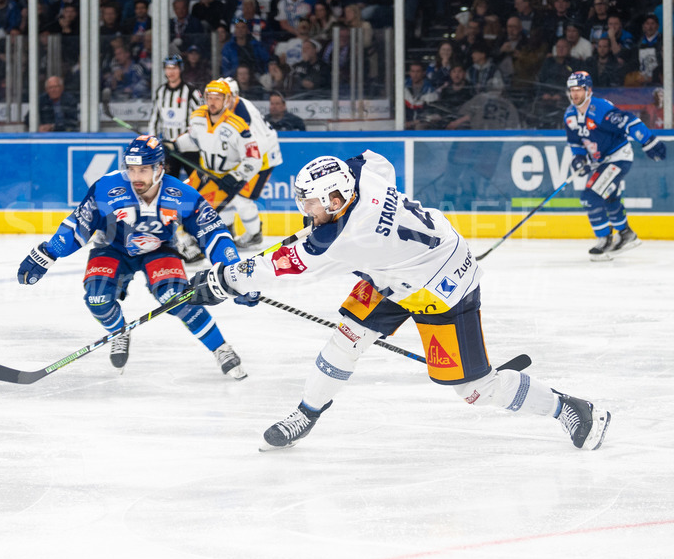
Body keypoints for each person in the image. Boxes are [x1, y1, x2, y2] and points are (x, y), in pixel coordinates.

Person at [186, 151, 613, 452]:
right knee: (346, 339)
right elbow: (371, 159)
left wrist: (225, 282)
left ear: (337, 200)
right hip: (397, 270)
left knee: (473, 389)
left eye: (311, 203)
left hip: (441, 285)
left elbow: (279, 269)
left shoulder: (345, 240)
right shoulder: (363, 178)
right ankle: (307, 413)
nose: (305, 209)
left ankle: (571, 409)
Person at [16, 134, 248, 379]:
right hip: (111, 248)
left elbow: (212, 232)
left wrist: (235, 272)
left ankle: (221, 348)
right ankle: (119, 332)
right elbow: (78, 225)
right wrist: (46, 254)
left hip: (159, 249)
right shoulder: (108, 188)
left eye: (144, 170)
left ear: (160, 168)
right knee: (97, 299)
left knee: (178, 298)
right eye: (132, 169)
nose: (136, 177)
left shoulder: (181, 194)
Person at [563, 71, 666, 260]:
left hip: (618, 158)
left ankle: (604, 240)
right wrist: (579, 159)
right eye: (572, 90)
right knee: (609, 196)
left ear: (589, 90)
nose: (575, 94)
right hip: (600, 163)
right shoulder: (570, 115)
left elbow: (628, 121)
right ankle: (626, 234)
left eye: (579, 89)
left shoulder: (599, 108)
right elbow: (576, 143)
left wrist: (648, 141)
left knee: (591, 196)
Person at [173, 80, 268, 250]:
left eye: (218, 98)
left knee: (202, 211)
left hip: (225, 177)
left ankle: (196, 247)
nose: (213, 102)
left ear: (226, 100)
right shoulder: (197, 117)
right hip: (204, 172)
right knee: (179, 200)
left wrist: (236, 176)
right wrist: (175, 145)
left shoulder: (238, 126)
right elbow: (193, 140)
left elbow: (254, 158)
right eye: (210, 97)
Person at [147, 55, 202, 178]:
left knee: (197, 184)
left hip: (190, 148)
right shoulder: (161, 92)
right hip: (169, 149)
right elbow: (154, 120)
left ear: (180, 69)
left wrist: (184, 138)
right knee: (168, 185)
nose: (171, 72)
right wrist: (152, 141)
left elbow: (200, 119)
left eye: (174, 68)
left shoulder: (191, 91)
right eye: (168, 68)